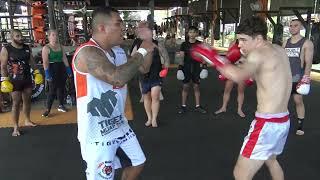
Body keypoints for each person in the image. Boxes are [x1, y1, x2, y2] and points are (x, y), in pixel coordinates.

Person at [192, 16, 292, 180]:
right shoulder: (279, 50)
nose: (239, 45)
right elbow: (268, 74)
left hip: (266, 124)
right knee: (272, 160)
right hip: (283, 120)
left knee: (240, 175)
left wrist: (212, 57)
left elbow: (238, 76)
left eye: (243, 40)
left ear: (258, 38)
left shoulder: (258, 54)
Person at [72, 7, 156, 180]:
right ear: (102, 27)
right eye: (118, 24)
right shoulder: (87, 52)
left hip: (119, 125)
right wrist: (141, 51)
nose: (123, 28)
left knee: (137, 162)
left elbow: (144, 67)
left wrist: (147, 43)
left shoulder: (118, 51)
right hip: (96, 134)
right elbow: (117, 78)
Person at [0, 29, 43, 136]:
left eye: (21, 35)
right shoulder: (6, 49)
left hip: (27, 78)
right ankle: (15, 127)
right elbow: (3, 66)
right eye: (17, 36)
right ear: (12, 37)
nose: (20, 38)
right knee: (16, 103)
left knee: (27, 100)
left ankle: (27, 120)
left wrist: (37, 72)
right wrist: (4, 80)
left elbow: (32, 61)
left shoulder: (26, 47)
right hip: (14, 80)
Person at [131, 21, 170, 128]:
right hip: (144, 75)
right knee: (147, 97)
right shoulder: (138, 44)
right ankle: (149, 117)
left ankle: (154, 119)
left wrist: (166, 68)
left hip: (156, 74)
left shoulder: (157, 44)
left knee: (155, 96)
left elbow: (166, 57)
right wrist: (138, 67)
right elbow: (132, 58)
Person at [283, 19, 314, 136]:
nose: (292, 28)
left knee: (298, 100)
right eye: (290, 26)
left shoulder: (307, 43)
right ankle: (282, 124)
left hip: (297, 77)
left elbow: (308, 62)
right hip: (285, 77)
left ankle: (300, 125)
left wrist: (306, 78)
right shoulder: (285, 43)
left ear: (300, 27)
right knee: (282, 102)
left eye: (295, 26)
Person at [41, 29, 73, 117]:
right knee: (52, 90)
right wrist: (47, 74)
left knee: (61, 88)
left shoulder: (60, 46)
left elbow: (64, 58)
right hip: (52, 69)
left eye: (56, 35)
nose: (55, 37)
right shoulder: (46, 48)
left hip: (61, 68)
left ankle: (61, 105)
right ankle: (48, 109)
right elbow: (45, 62)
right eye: (53, 35)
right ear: (49, 37)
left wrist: (68, 70)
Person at [177, 26, 208, 114]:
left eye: (194, 32)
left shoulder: (200, 44)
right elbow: (182, 57)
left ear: (197, 33)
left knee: (196, 86)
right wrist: (180, 68)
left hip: (196, 67)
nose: (192, 34)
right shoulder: (184, 44)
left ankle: (198, 106)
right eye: (190, 32)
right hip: (186, 67)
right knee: (185, 87)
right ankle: (183, 106)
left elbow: (203, 56)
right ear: (188, 33)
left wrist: (204, 66)